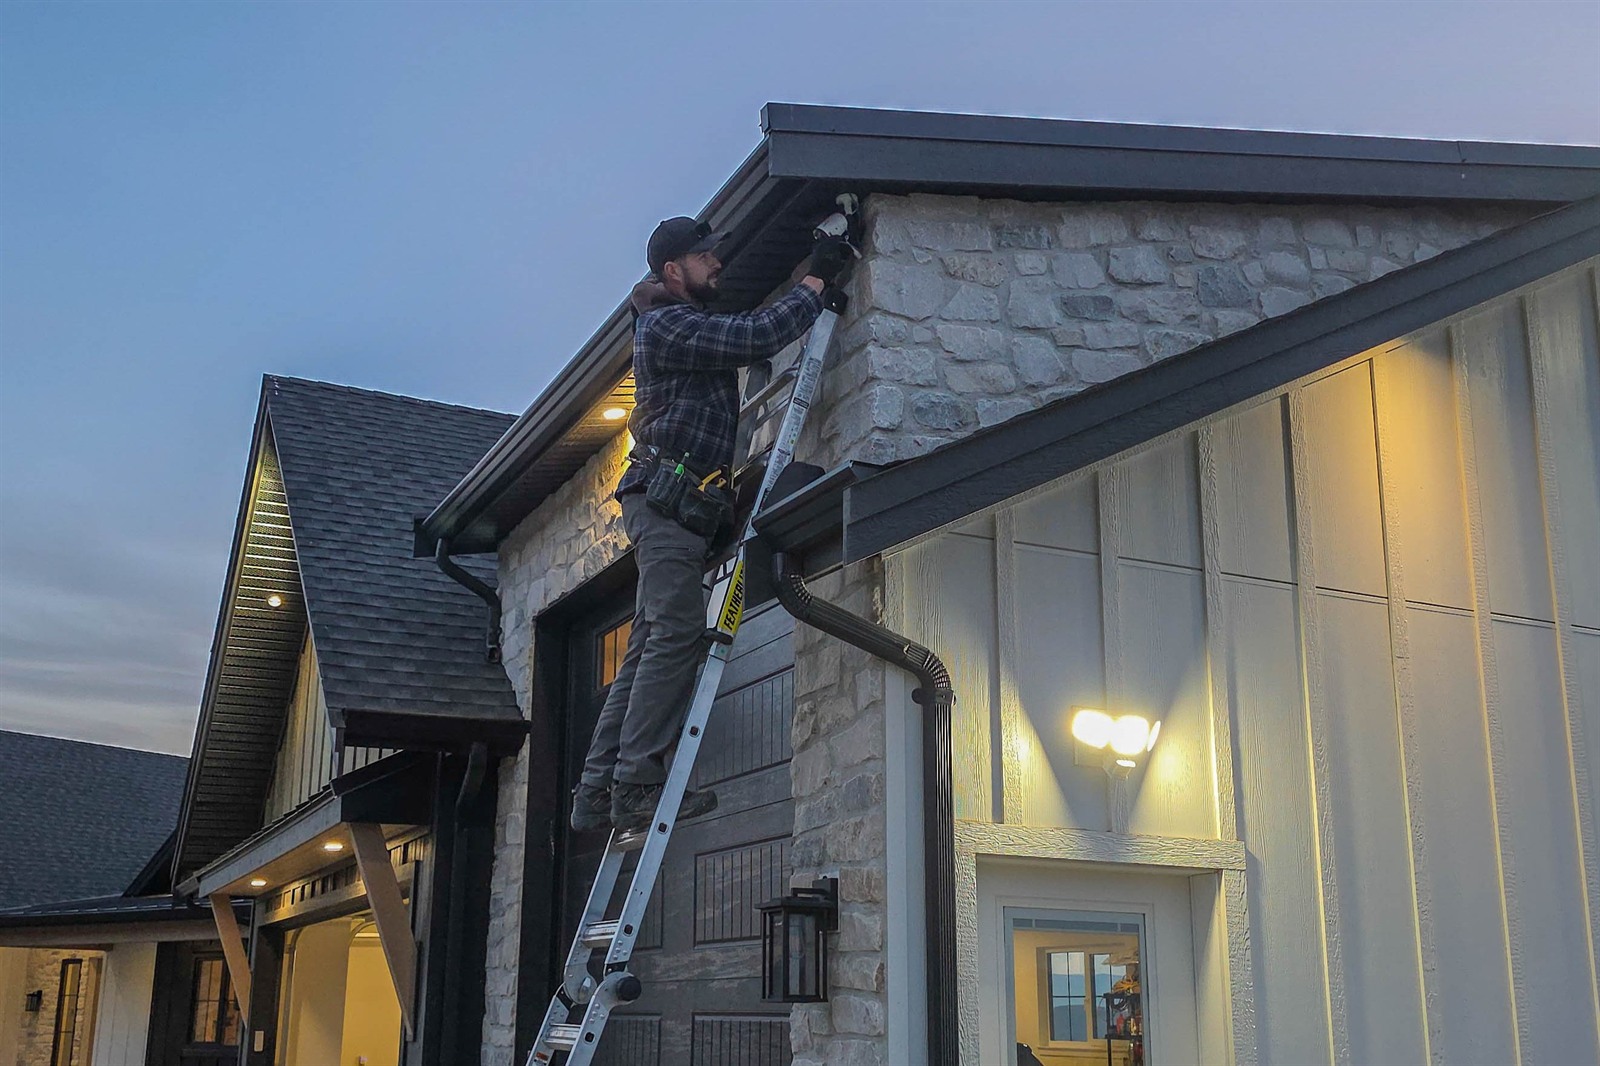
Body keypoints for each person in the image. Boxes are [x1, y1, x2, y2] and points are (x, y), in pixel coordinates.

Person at [571, 216, 853, 833]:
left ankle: (597, 791)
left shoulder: (675, 320)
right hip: (669, 508)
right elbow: (754, 336)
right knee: (674, 638)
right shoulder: (668, 323)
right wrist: (815, 278)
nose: (716, 263)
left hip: (676, 507)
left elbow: (746, 338)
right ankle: (636, 785)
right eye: (705, 256)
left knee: (651, 645)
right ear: (674, 270)